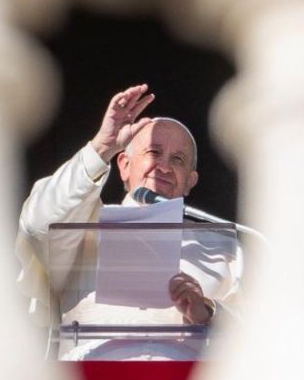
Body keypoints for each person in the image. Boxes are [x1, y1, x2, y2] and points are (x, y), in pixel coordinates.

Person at [15, 84, 241, 360]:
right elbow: (39, 223)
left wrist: (208, 311)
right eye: (153, 153)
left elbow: (261, 328)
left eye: (178, 159)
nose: (164, 167)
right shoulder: (85, 223)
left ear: (190, 182)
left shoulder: (222, 244)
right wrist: (102, 147)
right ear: (123, 165)